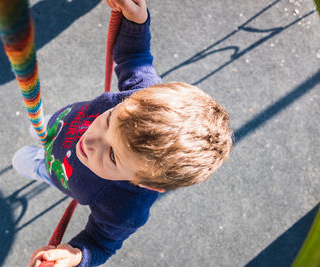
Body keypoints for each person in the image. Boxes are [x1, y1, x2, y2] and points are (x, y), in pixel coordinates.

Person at [13, 0, 233, 266]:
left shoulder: (124, 208)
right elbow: (134, 56)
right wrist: (137, 20)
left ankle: (41, 167)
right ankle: (51, 137)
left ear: (144, 183)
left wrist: (75, 255)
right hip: (62, 123)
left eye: (113, 156)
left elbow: (100, 242)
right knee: (40, 127)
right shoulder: (139, 97)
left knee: (21, 160)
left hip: (60, 172)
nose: (91, 140)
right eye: (108, 120)